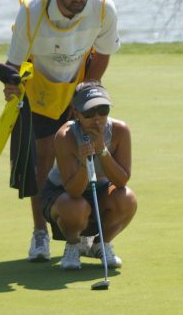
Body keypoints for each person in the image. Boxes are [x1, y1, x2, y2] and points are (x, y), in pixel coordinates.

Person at [1, 0, 121, 261]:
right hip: (40, 85)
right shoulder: (31, 12)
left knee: (87, 153)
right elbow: (13, 65)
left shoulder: (103, 5)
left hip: (79, 81)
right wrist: (12, 87)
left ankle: (85, 236)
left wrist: (83, 97)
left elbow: (103, 53)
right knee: (43, 158)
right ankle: (40, 233)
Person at [40, 81, 137, 269]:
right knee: (75, 207)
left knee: (127, 198)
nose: (97, 118)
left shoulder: (120, 131)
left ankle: (101, 245)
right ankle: (74, 245)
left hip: (100, 190)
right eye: (89, 113)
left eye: (103, 109)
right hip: (63, 195)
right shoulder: (65, 136)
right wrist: (85, 164)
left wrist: (102, 150)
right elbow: (74, 191)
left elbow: (121, 180)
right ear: (76, 113)